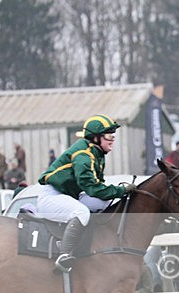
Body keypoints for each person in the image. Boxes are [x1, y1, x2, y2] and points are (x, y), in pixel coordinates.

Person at [37, 114, 135, 272]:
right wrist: (121, 190)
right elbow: (92, 188)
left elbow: (99, 189)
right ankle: (63, 254)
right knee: (81, 212)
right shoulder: (84, 156)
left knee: (103, 203)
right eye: (109, 136)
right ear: (96, 137)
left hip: (68, 195)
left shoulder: (97, 153)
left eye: (113, 136)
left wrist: (120, 194)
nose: (112, 140)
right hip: (51, 197)